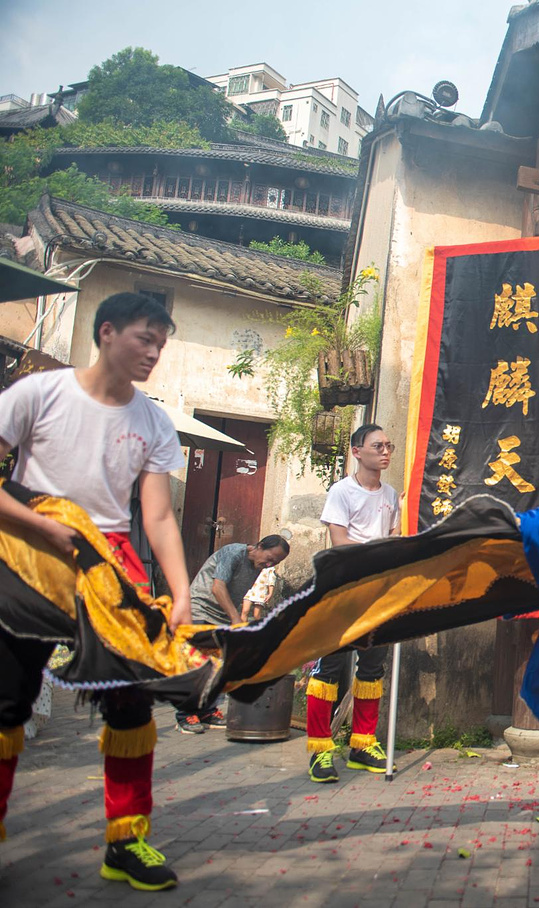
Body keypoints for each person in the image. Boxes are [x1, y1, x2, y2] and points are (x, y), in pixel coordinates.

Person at [0, 293, 188, 890]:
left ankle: (125, 841)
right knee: (7, 698)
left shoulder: (154, 421)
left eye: (161, 344)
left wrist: (180, 592)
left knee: (131, 702)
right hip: (28, 553)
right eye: (144, 339)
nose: (153, 353)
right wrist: (43, 527)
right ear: (106, 332)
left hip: (108, 564)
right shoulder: (37, 394)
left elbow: (157, 516)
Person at [304, 423, 400, 783]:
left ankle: (362, 743)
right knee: (329, 669)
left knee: (372, 668)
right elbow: (340, 540)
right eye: (378, 446)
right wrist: (378, 552)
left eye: (388, 446)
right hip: (342, 589)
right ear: (357, 452)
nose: (385, 452)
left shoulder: (391, 494)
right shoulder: (341, 491)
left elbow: (394, 536)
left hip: (377, 593)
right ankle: (320, 749)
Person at [175, 536, 291, 733]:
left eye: (275, 563)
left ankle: (206, 712)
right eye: (270, 558)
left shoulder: (258, 566)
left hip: (222, 616)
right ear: (259, 546)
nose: (269, 565)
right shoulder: (233, 553)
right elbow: (218, 587)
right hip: (200, 609)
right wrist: (236, 618)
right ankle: (184, 715)